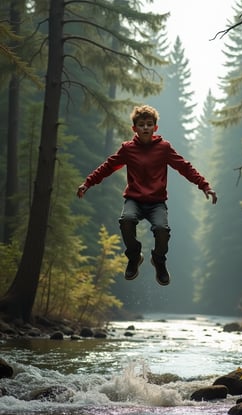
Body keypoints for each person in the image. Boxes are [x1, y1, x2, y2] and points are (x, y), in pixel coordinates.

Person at [77, 104, 217, 286]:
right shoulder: (128, 149)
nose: (145, 128)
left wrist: (204, 186)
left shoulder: (164, 148)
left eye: (149, 124)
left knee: (162, 231)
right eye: (141, 124)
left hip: (156, 203)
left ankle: (158, 260)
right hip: (133, 200)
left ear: (155, 128)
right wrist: (88, 183)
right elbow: (108, 166)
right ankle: (134, 257)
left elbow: (184, 167)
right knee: (126, 220)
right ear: (134, 128)